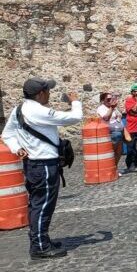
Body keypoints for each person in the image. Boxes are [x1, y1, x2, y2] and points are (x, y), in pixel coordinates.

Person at [1, 78, 82, 259]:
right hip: (43, 164)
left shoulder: (19, 109)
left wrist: (17, 148)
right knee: (43, 205)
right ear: (40, 94)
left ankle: (40, 239)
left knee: (37, 204)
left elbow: (7, 134)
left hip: (34, 164)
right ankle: (40, 247)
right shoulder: (38, 111)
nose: (50, 93)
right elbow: (74, 117)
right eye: (48, 90)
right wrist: (75, 101)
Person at [97, 91, 124, 170]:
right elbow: (106, 118)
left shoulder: (113, 108)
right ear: (102, 101)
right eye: (108, 99)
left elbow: (120, 116)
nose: (110, 101)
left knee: (119, 151)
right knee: (111, 152)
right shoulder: (101, 108)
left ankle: (114, 168)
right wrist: (112, 108)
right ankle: (110, 168)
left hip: (119, 133)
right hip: (110, 133)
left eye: (111, 99)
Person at [123, 84, 137, 173]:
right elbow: (134, 111)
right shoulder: (129, 100)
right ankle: (130, 163)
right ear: (132, 92)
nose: (136, 93)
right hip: (131, 127)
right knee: (131, 147)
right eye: (134, 91)